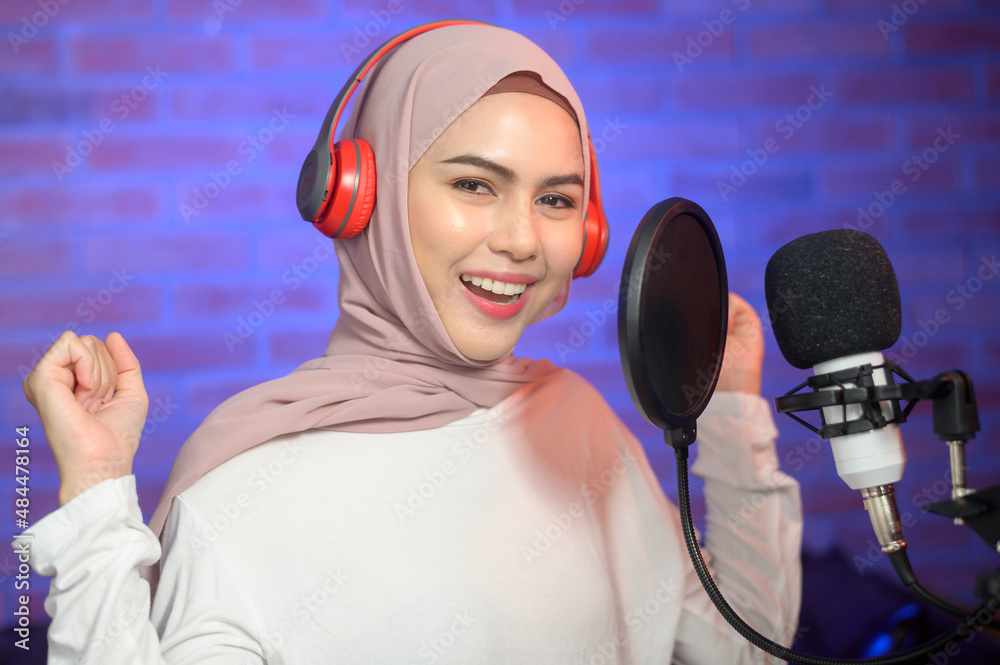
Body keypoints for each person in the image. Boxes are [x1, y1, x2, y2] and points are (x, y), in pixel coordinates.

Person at [19, 22, 802, 664]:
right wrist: (94, 494)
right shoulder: (238, 500)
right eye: (473, 184)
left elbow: (749, 652)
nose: (523, 239)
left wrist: (732, 412)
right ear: (361, 199)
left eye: (557, 198)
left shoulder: (582, 424)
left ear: (587, 234)